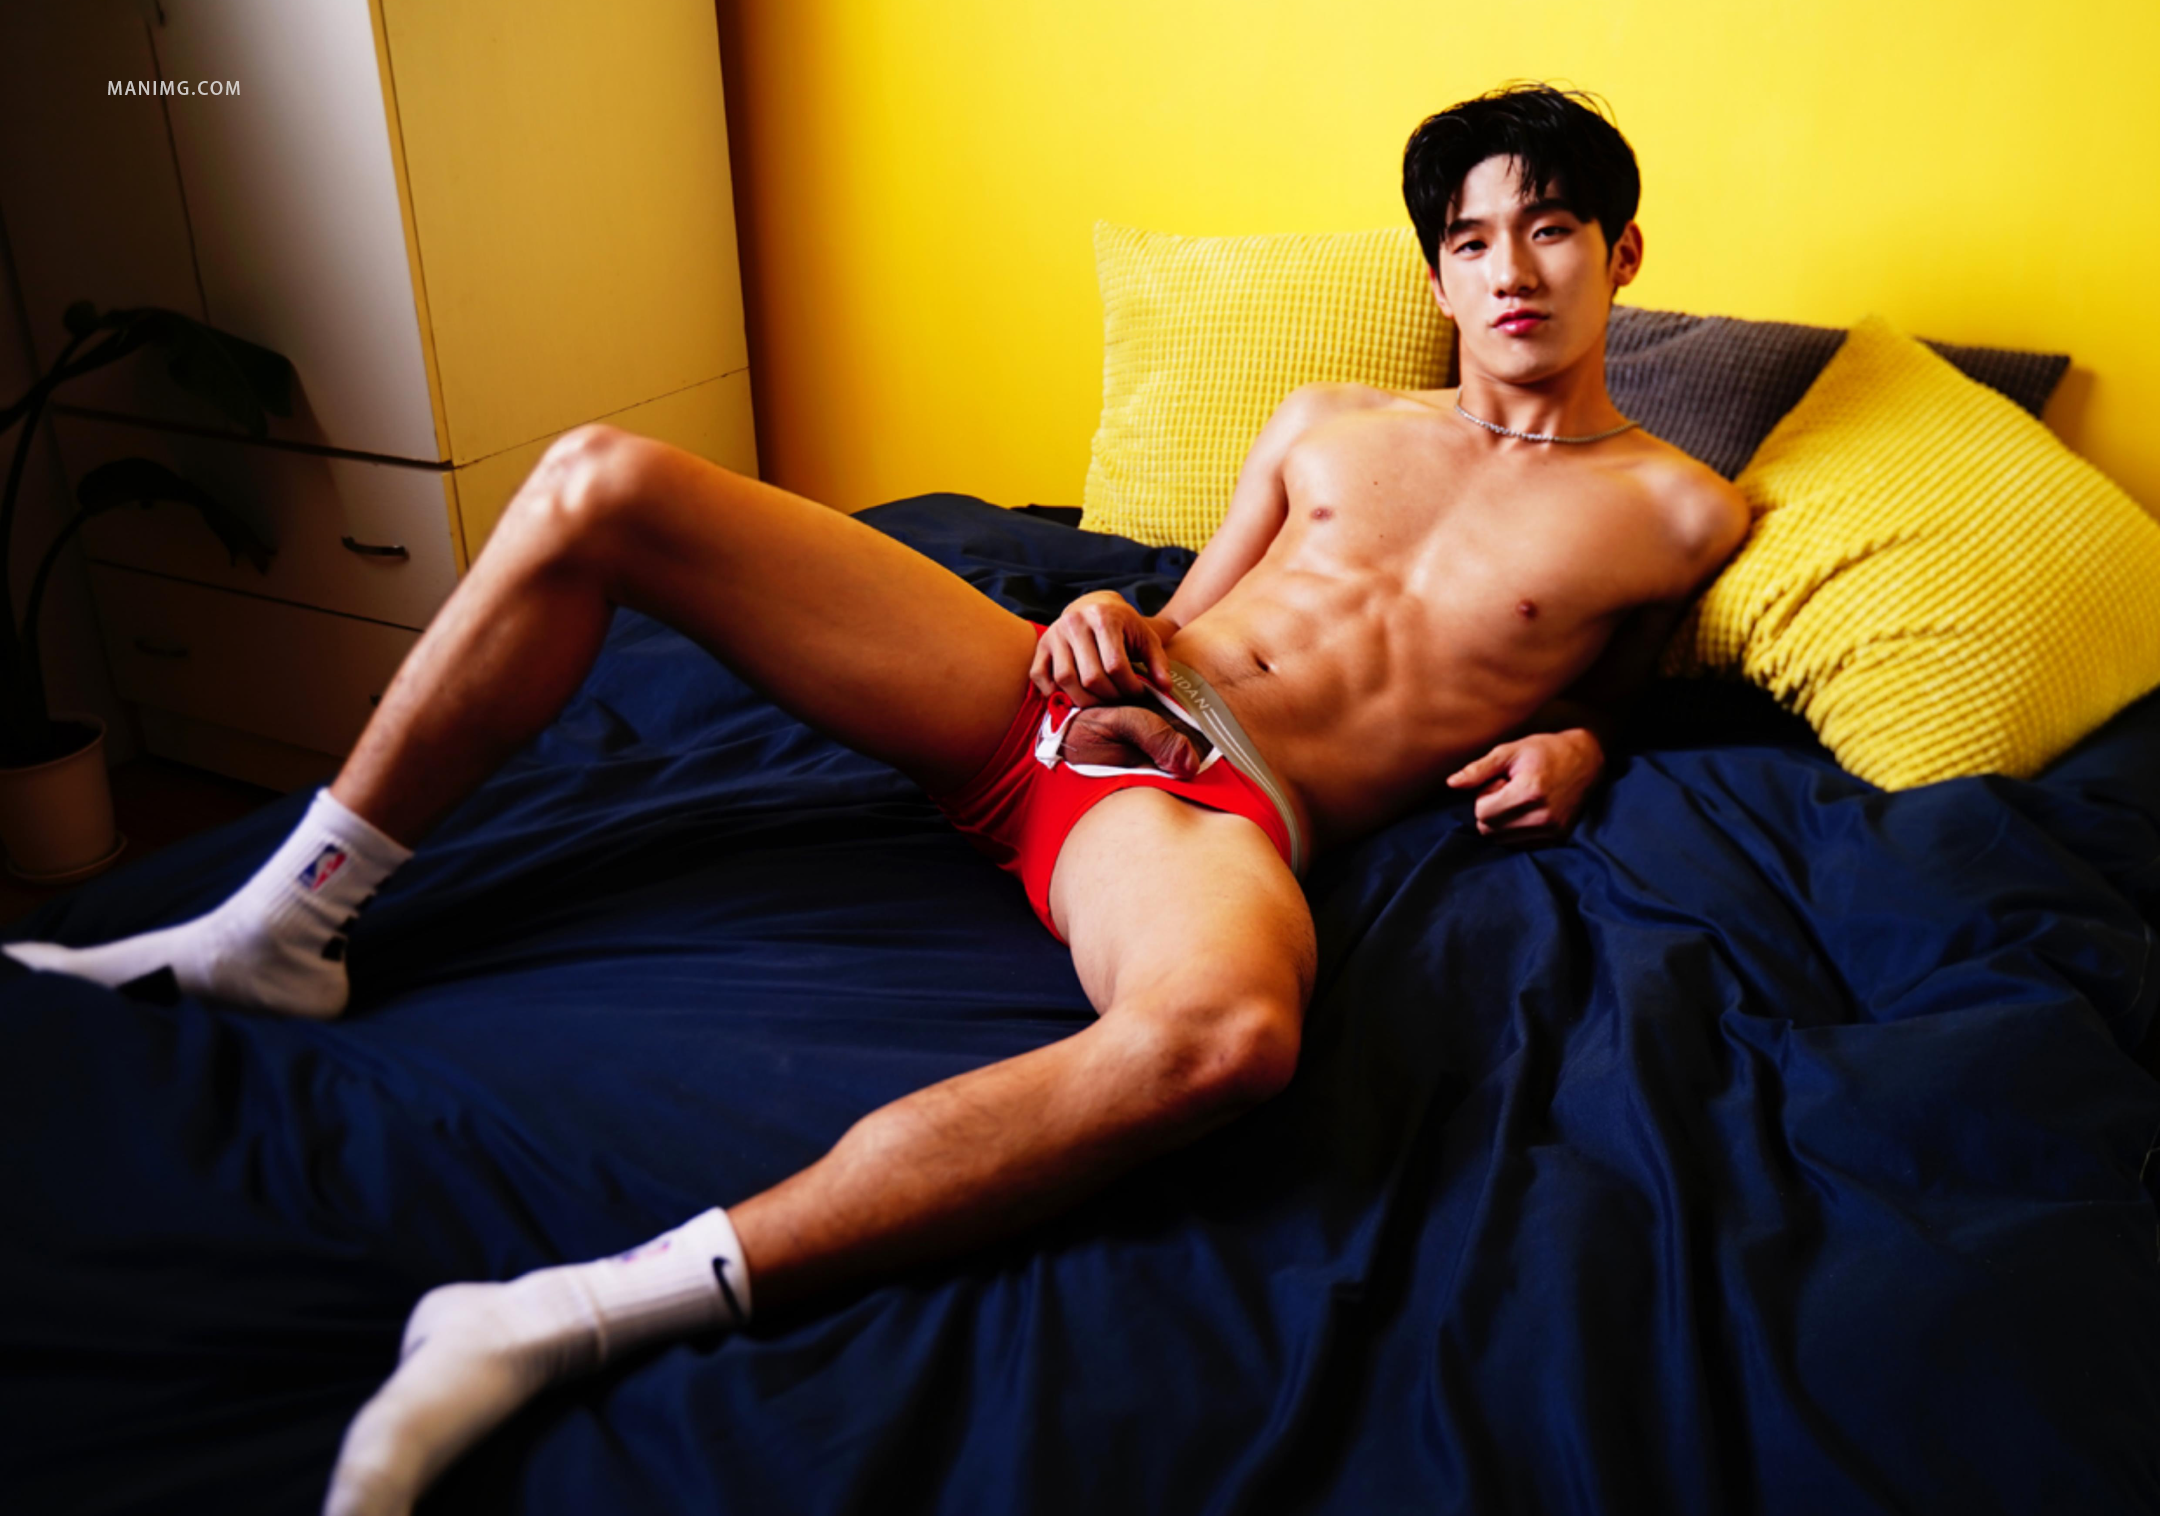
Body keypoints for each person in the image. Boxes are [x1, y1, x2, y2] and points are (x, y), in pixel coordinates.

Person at [4, 84, 1749, 1516]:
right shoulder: (1325, 421)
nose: (1510, 270)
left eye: (1550, 229)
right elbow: (1184, 608)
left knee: (1228, 1038)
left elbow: (1613, 685)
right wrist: (1106, 609)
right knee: (601, 480)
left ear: (1621, 255)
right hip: (1053, 690)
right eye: (1471, 238)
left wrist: (1587, 747)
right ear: (1435, 272)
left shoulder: (1679, 512)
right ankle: (280, 927)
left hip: (1199, 811)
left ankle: (551, 1319)